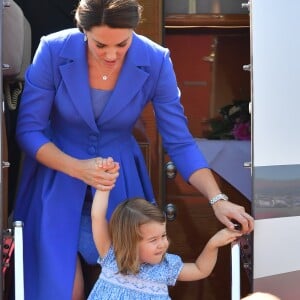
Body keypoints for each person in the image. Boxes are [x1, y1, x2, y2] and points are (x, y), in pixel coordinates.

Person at [13, 0, 254, 299]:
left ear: (134, 30)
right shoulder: (52, 48)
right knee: (60, 289)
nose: (111, 55)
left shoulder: (155, 59)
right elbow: (29, 130)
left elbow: (179, 141)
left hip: (122, 188)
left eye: (122, 44)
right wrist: (78, 168)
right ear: (83, 30)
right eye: (100, 45)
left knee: (126, 287)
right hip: (56, 178)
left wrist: (217, 200)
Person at [88, 157, 243, 299]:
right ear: (129, 241)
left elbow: (200, 269)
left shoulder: (165, 267)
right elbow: (97, 217)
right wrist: (104, 184)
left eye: (163, 236)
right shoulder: (112, 258)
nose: (162, 243)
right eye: (153, 239)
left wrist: (213, 244)